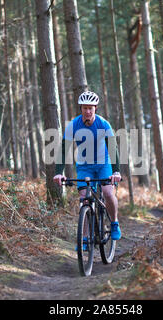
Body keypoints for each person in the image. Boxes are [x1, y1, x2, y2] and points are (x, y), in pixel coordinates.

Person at [53, 91, 122, 248]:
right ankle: (84, 237)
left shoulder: (103, 124)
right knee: (84, 199)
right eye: (85, 108)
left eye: (90, 108)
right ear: (81, 108)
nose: (88, 111)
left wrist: (116, 170)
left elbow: (113, 147)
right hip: (84, 166)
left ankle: (114, 223)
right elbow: (64, 149)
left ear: (95, 108)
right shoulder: (73, 125)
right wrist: (59, 172)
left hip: (104, 163)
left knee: (108, 192)